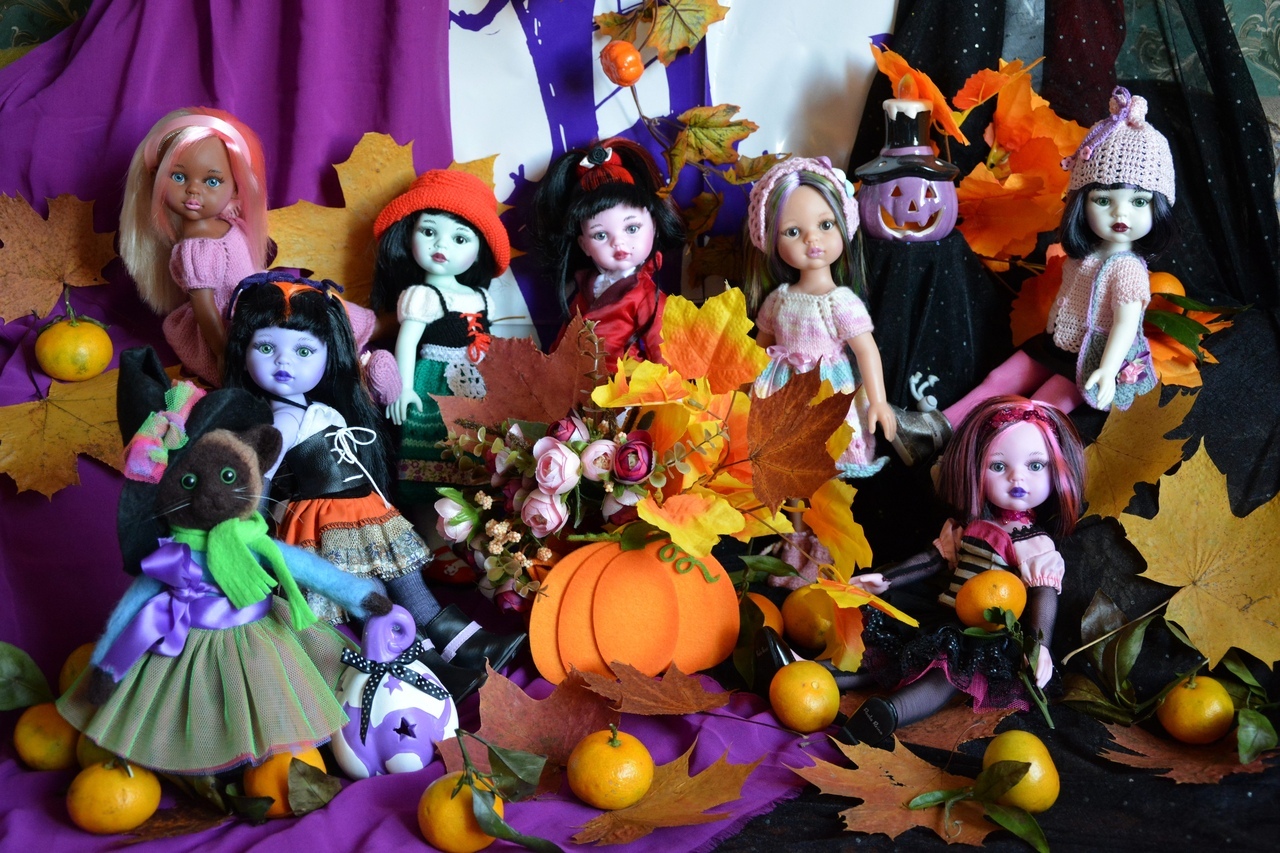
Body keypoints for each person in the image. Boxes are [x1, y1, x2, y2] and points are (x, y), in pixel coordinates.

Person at [224, 272, 524, 698]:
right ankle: (429, 671)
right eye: (266, 348)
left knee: (409, 584)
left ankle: (466, 645)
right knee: (375, 600)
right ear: (243, 351)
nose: (283, 363)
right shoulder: (280, 423)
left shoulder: (320, 408)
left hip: (365, 511)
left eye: (304, 351)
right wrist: (250, 532)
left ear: (329, 355)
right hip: (326, 525)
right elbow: (261, 479)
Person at [897, 87, 1177, 464]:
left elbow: (1127, 323)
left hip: (1091, 360)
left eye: (1139, 201)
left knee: (1035, 410)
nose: (1120, 214)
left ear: (1159, 207)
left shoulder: (1127, 269)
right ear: (1081, 202)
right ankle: (933, 432)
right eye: (1103, 200)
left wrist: (1109, 369)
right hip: (1055, 345)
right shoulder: (1085, 254)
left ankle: (976, 460)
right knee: (1000, 379)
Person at [840, 396, 1085, 747]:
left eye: (1035, 465)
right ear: (974, 469)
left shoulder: (1032, 543)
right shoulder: (968, 525)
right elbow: (934, 560)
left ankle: (888, 714)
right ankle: (822, 672)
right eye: (997, 466)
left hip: (984, 633)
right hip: (943, 615)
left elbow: (1043, 593)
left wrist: (1039, 646)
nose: (1017, 477)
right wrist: (888, 578)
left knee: (945, 676)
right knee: (887, 652)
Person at [530, 137, 685, 372]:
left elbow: (662, 349)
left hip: (623, 384)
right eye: (600, 235)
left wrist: (669, 386)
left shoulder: (646, 295)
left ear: (653, 226)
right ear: (584, 245)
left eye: (632, 228)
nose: (618, 243)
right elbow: (565, 338)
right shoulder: (586, 288)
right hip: (578, 381)